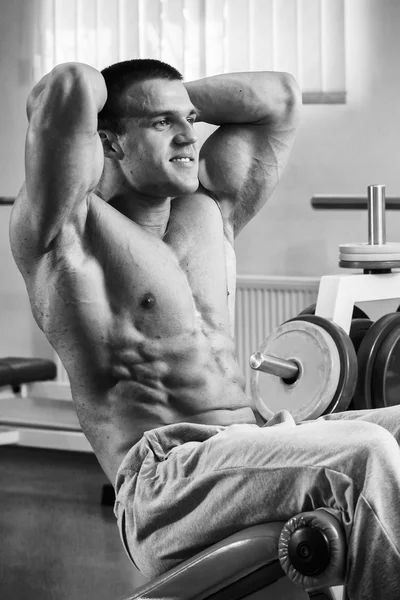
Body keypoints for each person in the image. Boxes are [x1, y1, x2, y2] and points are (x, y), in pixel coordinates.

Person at [9, 58, 400, 600]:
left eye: (190, 118)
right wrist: (128, 98)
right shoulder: (70, 233)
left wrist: (161, 101)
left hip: (255, 442)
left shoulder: (209, 213)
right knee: (367, 452)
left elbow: (280, 98)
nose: (190, 135)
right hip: (165, 481)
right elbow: (71, 86)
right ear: (109, 142)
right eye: (164, 123)